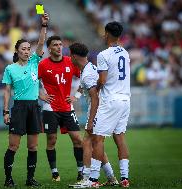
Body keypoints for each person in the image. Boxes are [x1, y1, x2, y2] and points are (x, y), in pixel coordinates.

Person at [2, 13, 49, 188]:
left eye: (28, 48)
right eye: (23, 49)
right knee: (13, 146)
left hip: (34, 107)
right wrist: (6, 111)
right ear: (17, 51)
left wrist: (43, 26)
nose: (27, 51)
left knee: (33, 147)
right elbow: (7, 91)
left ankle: (30, 179)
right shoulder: (10, 69)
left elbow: (42, 43)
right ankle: (8, 179)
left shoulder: (34, 63)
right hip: (20, 107)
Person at [68, 43, 118, 188]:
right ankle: (111, 177)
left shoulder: (88, 73)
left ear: (74, 56)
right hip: (103, 107)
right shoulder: (88, 68)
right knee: (97, 144)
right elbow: (83, 86)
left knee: (87, 142)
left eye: (70, 55)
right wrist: (76, 96)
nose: (69, 58)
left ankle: (87, 178)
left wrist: (90, 121)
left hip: (98, 108)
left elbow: (94, 97)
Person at [88, 21, 131, 188]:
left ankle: (93, 180)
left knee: (98, 139)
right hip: (125, 99)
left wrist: (96, 88)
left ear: (106, 34)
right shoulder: (125, 53)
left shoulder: (103, 54)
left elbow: (103, 79)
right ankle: (125, 178)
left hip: (111, 100)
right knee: (119, 137)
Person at [38, 36, 83, 182]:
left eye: (60, 44)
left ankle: (81, 172)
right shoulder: (43, 64)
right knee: (51, 140)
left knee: (77, 139)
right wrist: (41, 95)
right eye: (55, 45)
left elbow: (86, 77)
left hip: (67, 107)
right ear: (49, 48)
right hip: (50, 108)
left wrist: (76, 95)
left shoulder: (70, 61)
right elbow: (31, 82)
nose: (59, 47)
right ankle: (55, 172)